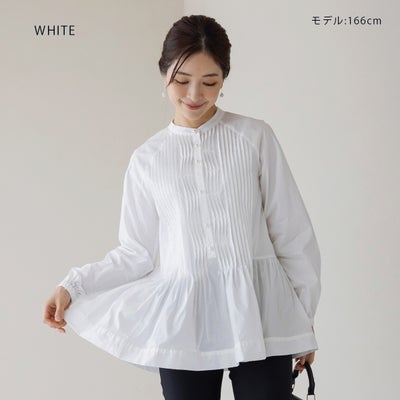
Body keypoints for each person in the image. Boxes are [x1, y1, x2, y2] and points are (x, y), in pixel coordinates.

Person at [43, 14, 321, 400]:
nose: (194, 94)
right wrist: (73, 285)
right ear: (164, 74)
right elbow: (136, 253)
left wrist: (302, 321)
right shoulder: (147, 159)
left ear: (224, 80)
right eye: (182, 79)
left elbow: (292, 235)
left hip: (262, 313)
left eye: (210, 82)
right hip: (184, 322)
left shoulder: (255, 137)